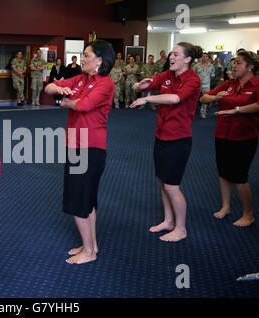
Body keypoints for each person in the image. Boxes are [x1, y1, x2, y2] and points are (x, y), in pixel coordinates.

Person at [45, 39, 115, 264]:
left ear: (99, 61)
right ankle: (91, 246)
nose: (82, 58)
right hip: (75, 145)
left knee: (79, 202)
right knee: (87, 202)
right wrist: (59, 88)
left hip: (90, 148)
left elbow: (84, 105)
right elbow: (48, 87)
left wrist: (66, 101)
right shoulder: (80, 79)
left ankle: (88, 252)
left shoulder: (105, 84)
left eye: (86, 55)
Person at [130, 42, 202, 242]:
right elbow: (148, 83)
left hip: (179, 139)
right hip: (161, 135)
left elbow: (175, 99)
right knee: (162, 181)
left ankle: (181, 228)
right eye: (171, 53)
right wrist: (139, 86)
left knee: (172, 185)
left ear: (187, 59)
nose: (171, 57)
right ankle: (168, 221)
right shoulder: (167, 75)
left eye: (176, 54)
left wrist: (147, 99)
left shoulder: (193, 80)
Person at [201, 50, 259, 227]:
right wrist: (215, 97)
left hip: (244, 136)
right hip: (223, 133)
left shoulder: (256, 84)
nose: (234, 66)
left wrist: (238, 110)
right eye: (233, 63)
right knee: (223, 173)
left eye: (238, 63)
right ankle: (225, 207)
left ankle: (248, 214)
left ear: (250, 67)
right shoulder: (228, 84)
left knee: (239, 176)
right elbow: (203, 98)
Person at [193, 52, 215, 118]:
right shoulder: (196, 66)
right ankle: (192, 111)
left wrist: (207, 80)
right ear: (201, 57)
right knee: (194, 99)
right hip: (197, 85)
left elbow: (212, 75)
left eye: (206, 56)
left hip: (206, 85)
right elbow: (192, 75)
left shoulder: (211, 66)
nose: (204, 58)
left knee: (205, 99)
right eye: (203, 56)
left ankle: (203, 113)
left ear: (208, 57)